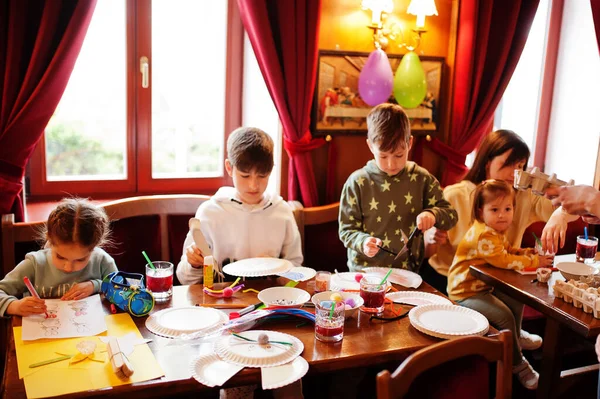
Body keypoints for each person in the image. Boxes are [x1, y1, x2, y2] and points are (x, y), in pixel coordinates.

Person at [424, 129, 576, 293]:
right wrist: (430, 238)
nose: (515, 172)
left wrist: (557, 204)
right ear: (488, 161)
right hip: (451, 282)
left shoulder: (525, 197)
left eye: (520, 166)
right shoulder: (456, 195)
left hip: (498, 283)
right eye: (509, 164)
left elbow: (575, 211)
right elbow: (426, 253)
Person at [447, 180, 554, 390]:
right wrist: (535, 261)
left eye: (507, 209)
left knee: (515, 295)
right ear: (481, 211)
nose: (502, 215)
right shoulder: (483, 234)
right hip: (465, 293)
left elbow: (506, 251)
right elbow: (502, 260)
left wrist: (525, 252)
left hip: (483, 287)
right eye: (494, 209)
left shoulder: (493, 230)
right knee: (503, 315)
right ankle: (518, 364)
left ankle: (516, 335)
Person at [338, 103, 458, 272]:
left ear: (409, 143)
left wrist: (432, 214)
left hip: (408, 273)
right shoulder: (357, 182)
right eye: (383, 156)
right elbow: (346, 230)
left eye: (399, 155)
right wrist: (363, 242)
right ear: (370, 146)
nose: (391, 163)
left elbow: (451, 215)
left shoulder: (421, 178)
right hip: (364, 273)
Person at [176, 127, 303, 286]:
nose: (253, 185)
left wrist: (278, 270)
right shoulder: (210, 212)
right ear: (229, 168)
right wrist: (194, 264)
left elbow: (297, 269)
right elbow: (184, 279)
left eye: (262, 176)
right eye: (245, 175)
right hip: (221, 302)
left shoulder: (281, 211)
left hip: (269, 302)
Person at [0, 198, 117, 317]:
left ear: (94, 248)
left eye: (80, 259)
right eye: (60, 257)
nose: (68, 268)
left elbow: (120, 290)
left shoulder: (101, 260)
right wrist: (14, 306)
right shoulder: (34, 264)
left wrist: (95, 285)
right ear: (50, 240)